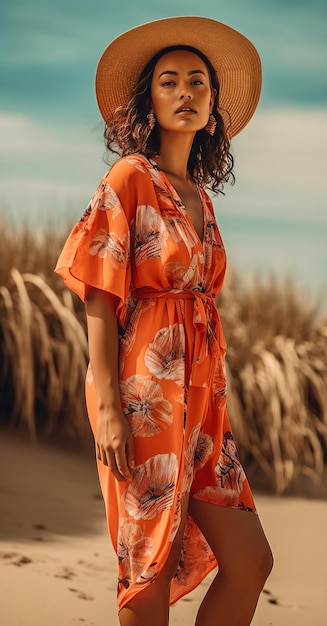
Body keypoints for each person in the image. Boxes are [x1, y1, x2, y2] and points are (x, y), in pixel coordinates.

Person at [55, 16, 273, 626]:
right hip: (143, 389)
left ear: (212, 102)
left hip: (205, 400)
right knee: (149, 560)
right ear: (148, 99)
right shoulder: (130, 177)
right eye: (169, 81)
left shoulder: (201, 197)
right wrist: (107, 409)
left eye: (197, 82)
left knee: (250, 560)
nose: (185, 92)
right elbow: (99, 290)